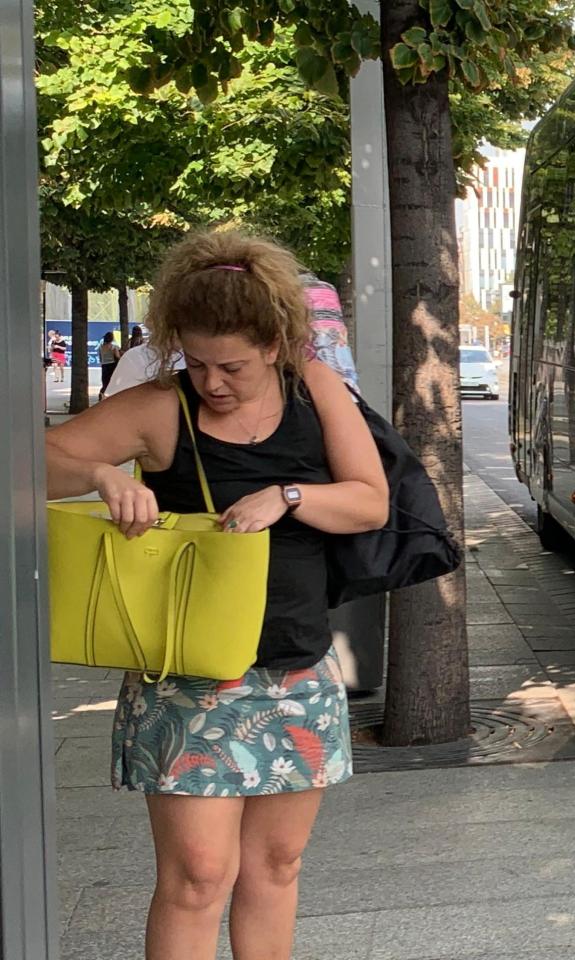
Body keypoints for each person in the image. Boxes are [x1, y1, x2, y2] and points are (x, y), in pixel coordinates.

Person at [43, 228, 389, 960]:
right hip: (187, 679)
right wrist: (105, 477)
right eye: (195, 362)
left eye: (230, 364)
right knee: (199, 877)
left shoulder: (317, 391)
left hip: (296, 669)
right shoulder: (161, 408)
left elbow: (370, 502)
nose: (212, 381)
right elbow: (38, 458)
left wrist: (288, 495)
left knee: (277, 867)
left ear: (275, 344)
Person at [96, 332, 121, 398]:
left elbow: (100, 357)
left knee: (105, 381)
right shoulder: (114, 347)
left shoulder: (101, 347)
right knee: (111, 381)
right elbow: (117, 356)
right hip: (112, 365)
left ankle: (101, 393)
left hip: (104, 365)